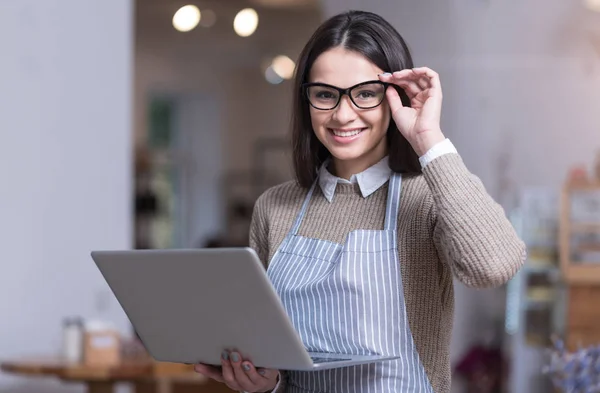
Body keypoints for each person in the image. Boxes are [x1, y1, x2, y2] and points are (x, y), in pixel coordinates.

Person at [194, 9, 526, 393]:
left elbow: (495, 266)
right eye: (324, 95)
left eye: (365, 94)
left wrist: (429, 140)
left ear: (395, 98)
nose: (342, 114)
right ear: (306, 101)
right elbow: (270, 350)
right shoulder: (275, 207)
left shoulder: (426, 197)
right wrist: (266, 383)